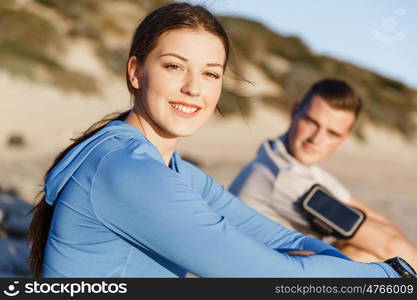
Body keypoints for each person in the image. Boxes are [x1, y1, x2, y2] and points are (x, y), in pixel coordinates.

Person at [27, 3, 408, 278]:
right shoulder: (126, 170)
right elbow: (270, 277)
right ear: (136, 72)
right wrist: (394, 279)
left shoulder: (174, 171)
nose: (194, 88)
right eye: (174, 66)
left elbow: (275, 237)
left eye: (210, 74)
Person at [229, 79, 417, 268]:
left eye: (332, 133)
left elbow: (380, 222)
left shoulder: (281, 158)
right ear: (295, 112)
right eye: (311, 122)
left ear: (344, 139)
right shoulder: (288, 179)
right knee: (364, 255)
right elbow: (391, 245)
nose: (316, 139)